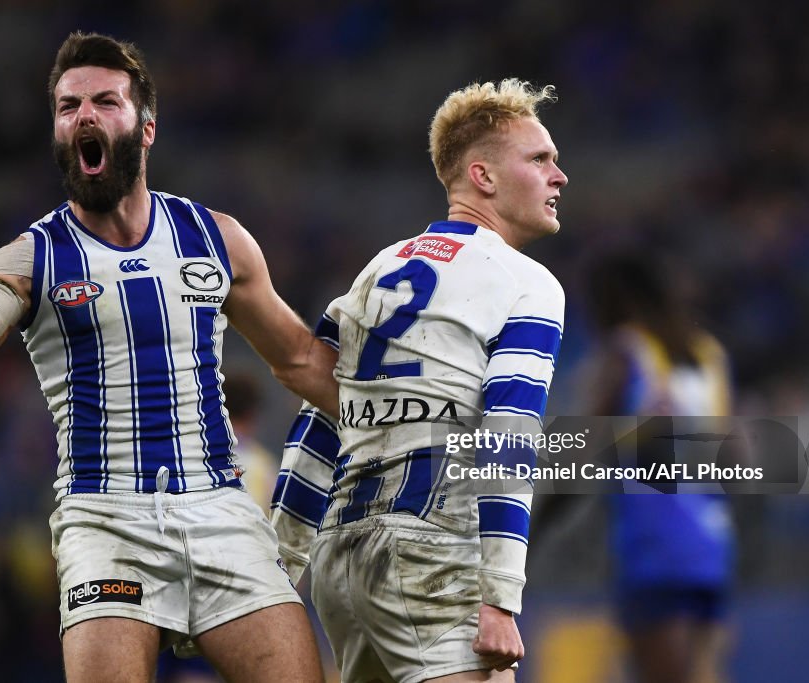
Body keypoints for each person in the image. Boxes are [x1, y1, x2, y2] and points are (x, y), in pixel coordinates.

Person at [0, 32, 337, 683]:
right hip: (107, 524)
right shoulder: (28, 260)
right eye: (69, 106)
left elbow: (299, 358)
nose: (85, 116)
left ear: (146, 127)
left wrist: (398, 418)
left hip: (221, 511)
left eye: (105, 100)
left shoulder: (217, 239)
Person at [272, 79, 568, 682]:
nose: (559, 176)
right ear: (482, 177)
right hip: (434, 552)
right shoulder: (526, 281)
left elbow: (321, 419)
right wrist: (500, 595)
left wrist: (278, 569)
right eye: (539, 159)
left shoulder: (374, 273)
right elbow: (507, 434)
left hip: (342, 557)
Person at [584, 252, 735, 683]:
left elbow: (579, 452)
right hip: (711, 543)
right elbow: (738, 456)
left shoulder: (626, 353)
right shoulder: (710, 357)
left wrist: (528, 528)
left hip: (654, 547)